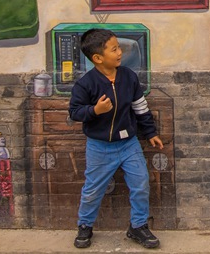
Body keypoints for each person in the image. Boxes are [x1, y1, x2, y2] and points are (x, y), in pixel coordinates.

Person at [68, 29, 164, 249]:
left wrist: (150, 133)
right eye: (114, 49)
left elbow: (140, 107)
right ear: (98, 58)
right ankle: (85, 226)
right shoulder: (86, 84)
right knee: (93, 190)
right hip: (99, 147)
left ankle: (138, 226)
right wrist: (95, 110)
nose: (120, 52)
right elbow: (74, 112)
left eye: (119, 47)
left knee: (141, 184)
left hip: (129, 144)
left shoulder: (128, 77)